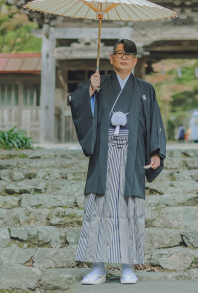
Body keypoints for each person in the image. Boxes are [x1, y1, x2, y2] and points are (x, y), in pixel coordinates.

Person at [69, 39, 167, 285]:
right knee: (100, 208)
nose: (124, 57)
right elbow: (78, 104)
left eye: (129, 54)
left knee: (129, 209)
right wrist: (90, 91)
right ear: (111, 58)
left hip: (132, 156)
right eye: (119, 53)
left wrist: (155, 152)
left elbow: (155, 121)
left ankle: (127, 266)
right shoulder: (100, 84)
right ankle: (98, 267)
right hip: (104, 155)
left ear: (135, 60)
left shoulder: (145, 88)